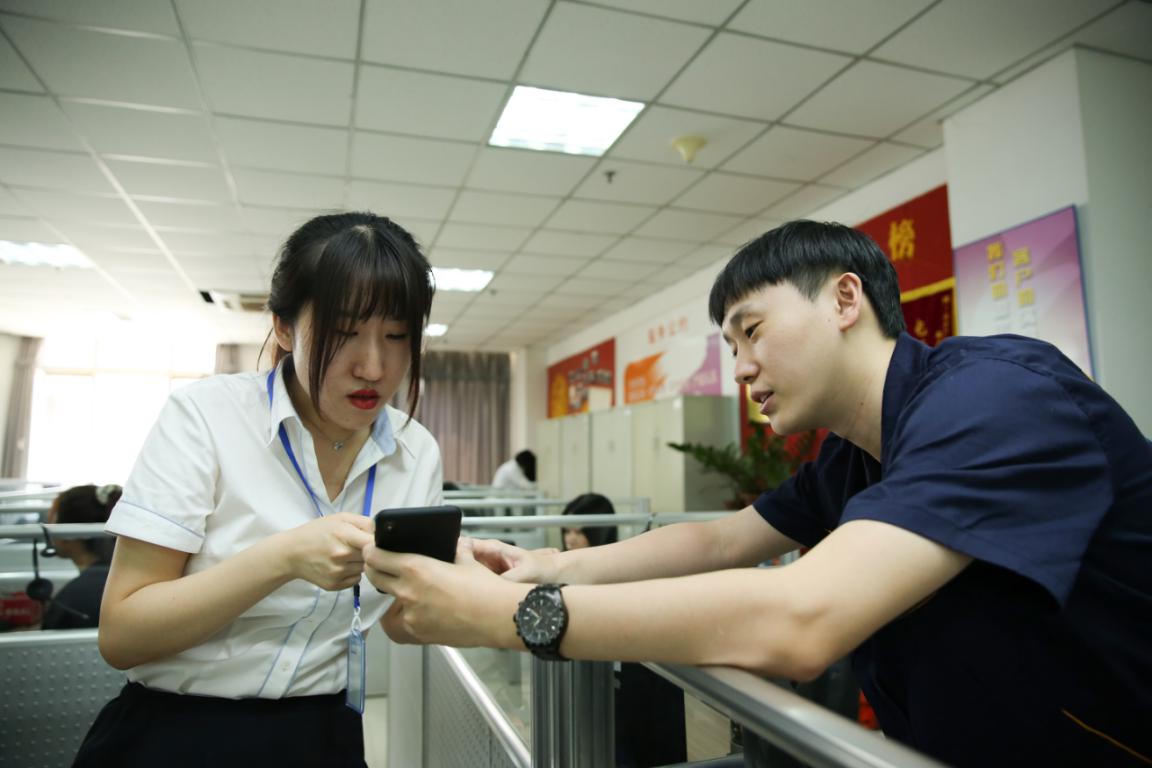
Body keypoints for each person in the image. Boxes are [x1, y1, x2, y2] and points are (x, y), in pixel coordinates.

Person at [364, 220, 1152, 767]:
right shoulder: (852, 455)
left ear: (845, 300)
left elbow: (803, 618)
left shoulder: (995, 400)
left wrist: (513, 618)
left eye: (753, 330)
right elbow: (721, 539)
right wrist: (545, 567)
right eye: (730, 344)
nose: (740, 367)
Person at [73, 212, 442, 768]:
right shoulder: (207, 417)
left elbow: (398, 620)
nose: (373, 366)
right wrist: (283, 558)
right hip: (180, 733)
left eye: (397, 336)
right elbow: (122, 635)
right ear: (285, 328)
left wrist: (452, 575)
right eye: (345, 332)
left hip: (326, 734)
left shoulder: (417, 451)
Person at [562, 493, 685, 768]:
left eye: (578, 532)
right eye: (567, 531)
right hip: (598, 683)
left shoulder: (620, 573)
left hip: (633, 682)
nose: (570, 539)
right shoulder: (567, 573)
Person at [39, 484, 121, 630]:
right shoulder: (121, 579)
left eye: (52, 519)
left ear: (68, 533)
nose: (49, 526)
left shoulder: (71, 600)